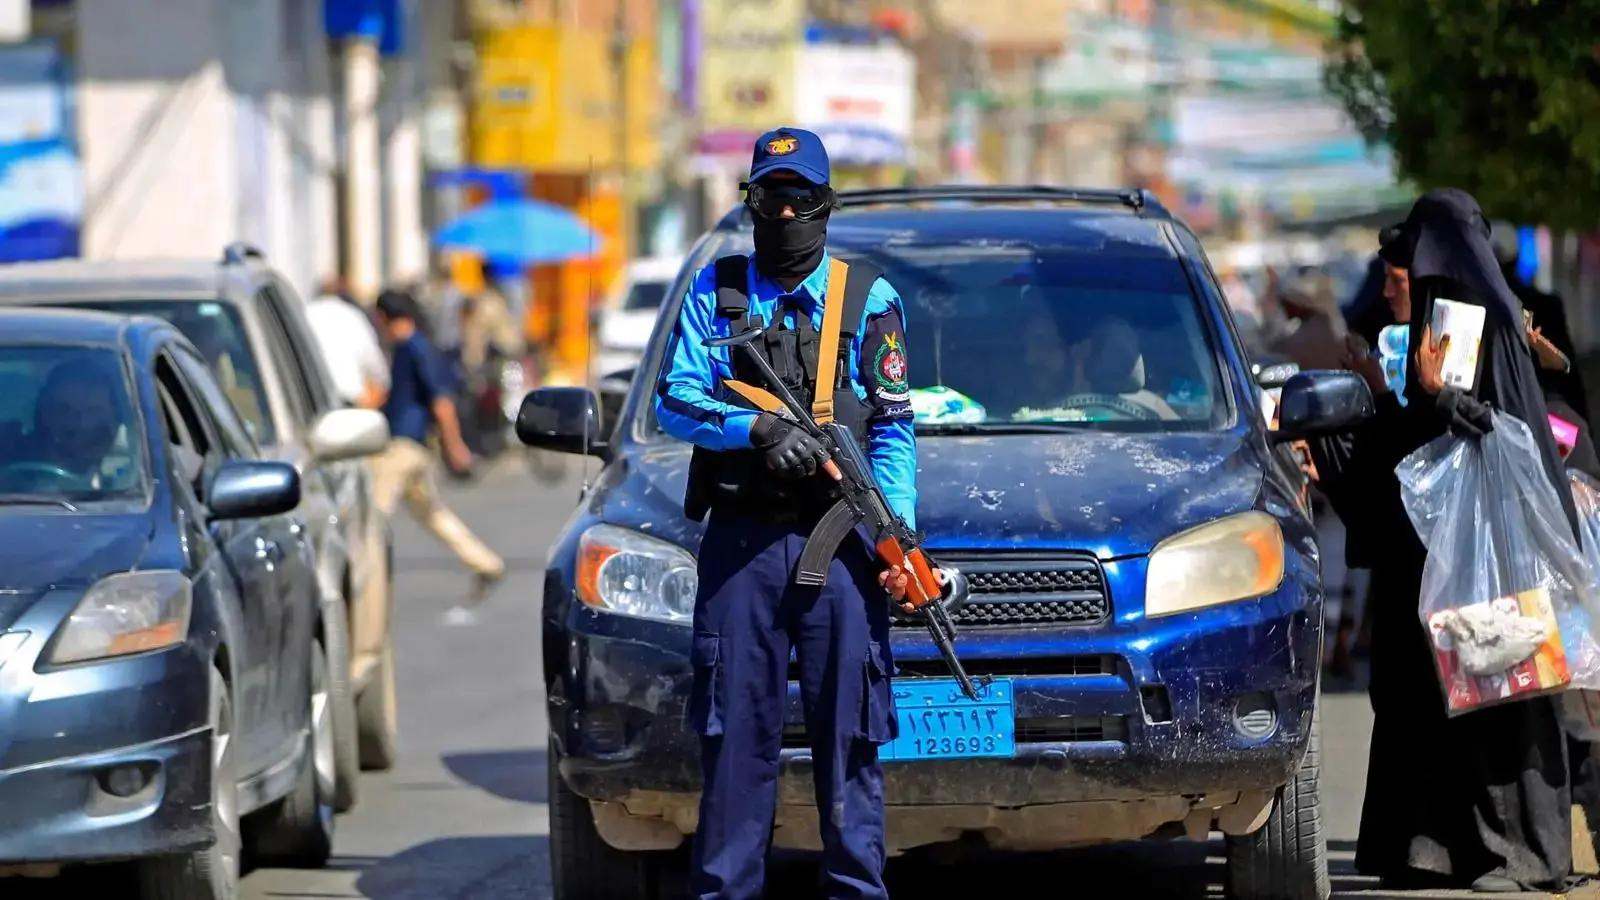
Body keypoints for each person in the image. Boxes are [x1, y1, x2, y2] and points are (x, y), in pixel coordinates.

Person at [655, 128, 916, 900]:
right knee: (736, 739)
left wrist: (895, 530)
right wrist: (756, 430)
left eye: (801, 196)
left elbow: (896, 424)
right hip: (743, 548)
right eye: (771, 196)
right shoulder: (716, 290)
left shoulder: (870, 298)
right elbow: (677, 397)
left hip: (844, 548)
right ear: (751, 204)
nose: (786, 211)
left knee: (851, 741)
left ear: (827, 205)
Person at [1339, 189, 1577, 893]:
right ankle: (1434, 848)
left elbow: (1493, 425)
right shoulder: (1445, 318)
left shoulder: (1480, 318)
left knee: (1503, 693)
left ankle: (1525, 856)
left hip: (1489, 552)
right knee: (1435, 697)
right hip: (1438, 550)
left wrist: (1439, 397)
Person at [369, 289, 505, 620]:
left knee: (372, 519)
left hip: (401, 447)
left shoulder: (414, 348)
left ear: (385, 317)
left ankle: (369, 597)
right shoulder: (410, 347)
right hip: (413, 446)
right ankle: (485, 562)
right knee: (432, 513)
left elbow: (441, 403)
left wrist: (455, 446)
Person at [305, 276, 389, 410]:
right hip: (347, 402)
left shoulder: (304, 313)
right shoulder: (354, 317)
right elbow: (375, 367)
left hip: (308, 402)